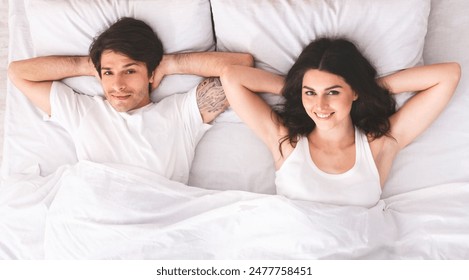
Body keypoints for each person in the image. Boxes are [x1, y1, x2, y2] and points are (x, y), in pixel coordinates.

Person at [8, 17, 253, 184]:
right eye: (108, 73)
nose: (117, 86)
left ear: (150, 73)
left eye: (130, 70)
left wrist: (170, 64)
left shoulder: (180, 112)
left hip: (162, 218)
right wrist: (88, 65)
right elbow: (17, 72)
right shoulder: (83, 110)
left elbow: (241, 66)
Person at [221, 37, 460, 207]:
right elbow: (231, 76)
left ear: (354, 92)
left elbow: (448, 75)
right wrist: (298, 90)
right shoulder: (286, 143)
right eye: (311, 93)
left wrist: (367, 88)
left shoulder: (379, 146)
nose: (320, 106)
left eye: (333, 92)